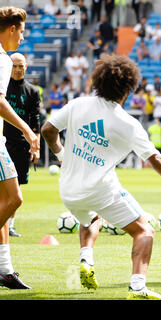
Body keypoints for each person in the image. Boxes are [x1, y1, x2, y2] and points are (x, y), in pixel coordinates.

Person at [41, 54, 161, 299]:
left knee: (90, 219)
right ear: (127, 89)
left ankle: (86, 259)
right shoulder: (127, 123)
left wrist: (62, 155)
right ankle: (137, 287)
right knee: (144, 232)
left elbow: (48, 130)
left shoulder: (78, 104)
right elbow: (156, 159)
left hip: (68, 191)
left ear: (98, 81)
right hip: (100, 192)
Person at [0, 6, 40, 290]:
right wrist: (26, 129)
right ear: (12, 29)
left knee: (3, 201)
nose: (22, 39)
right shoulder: (2, 60)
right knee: (14, 199)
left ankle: (4, 270)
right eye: (22, 32)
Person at [3, 53, 40, 238]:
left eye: (21, 66)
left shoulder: (32, 92)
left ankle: (10, 225)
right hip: (3, 143)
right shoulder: (2, 88)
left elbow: (36, 120)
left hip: (21, 147)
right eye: (14, 66)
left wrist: (36, 146)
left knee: (16, 186)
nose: (17, 70)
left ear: (26, 67)